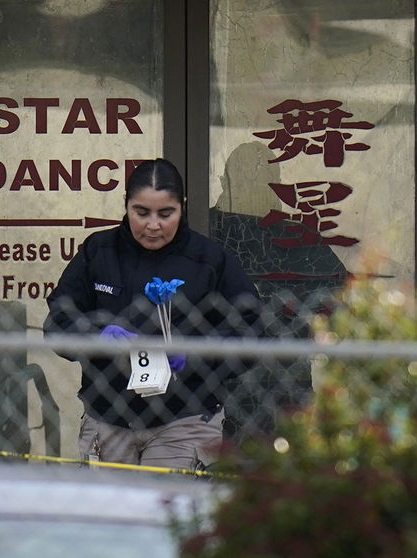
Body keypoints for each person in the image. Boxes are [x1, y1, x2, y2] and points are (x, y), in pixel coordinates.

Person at [45, 158, 261, 471]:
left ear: (182, 207)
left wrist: (195, 354)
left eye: (166, 213)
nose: (153, 225)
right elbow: (57, 323)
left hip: (184, 417)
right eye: (141, 212)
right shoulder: (99, 251)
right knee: (112, 517)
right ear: (126, 205)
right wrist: (95, 336)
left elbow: (251, 334)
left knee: (168, 513)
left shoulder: (210, 260)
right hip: (109, 418)